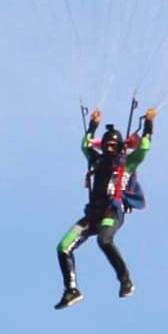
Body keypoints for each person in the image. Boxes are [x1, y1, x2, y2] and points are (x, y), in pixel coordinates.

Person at [55, 106, 155, 308]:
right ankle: (71, 290)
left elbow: (144, 149)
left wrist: (148, 124)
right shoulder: (97, 160)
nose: (109, 148)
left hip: (112, 211)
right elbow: (85, 146)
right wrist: (93, 124)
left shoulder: (127, 163)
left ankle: (125, 280)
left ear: (119, 147)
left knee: (104, 240)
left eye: (113, 145)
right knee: (63, 247)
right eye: (106, 145)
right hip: (93, 214)